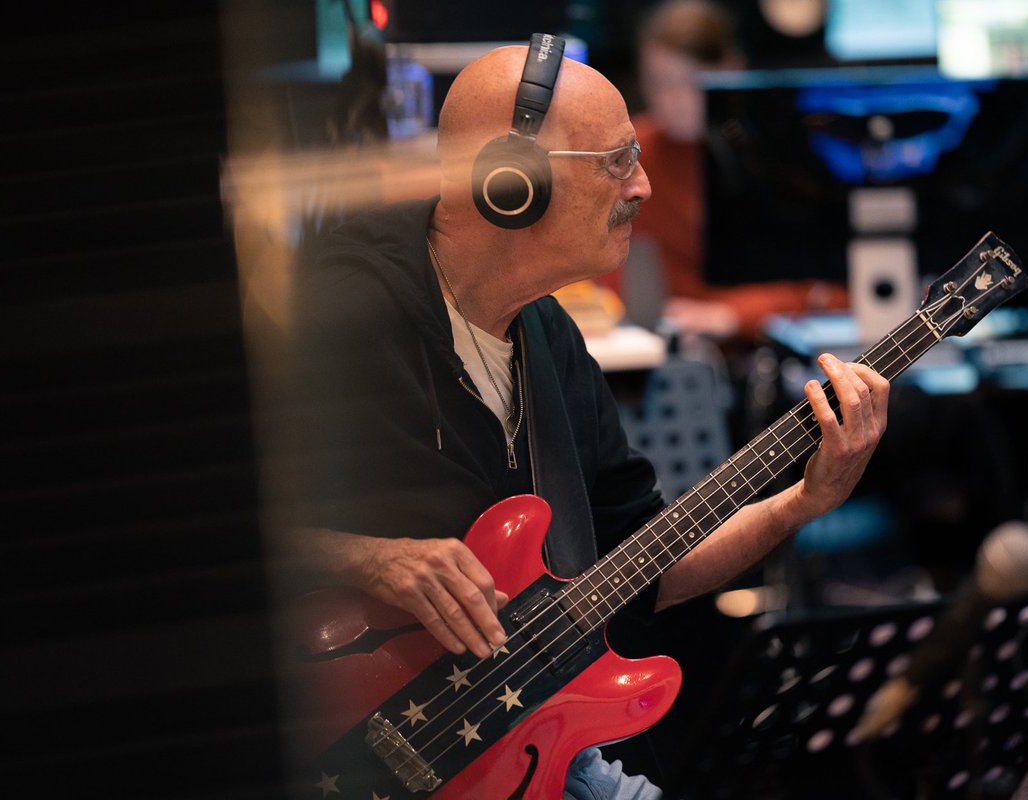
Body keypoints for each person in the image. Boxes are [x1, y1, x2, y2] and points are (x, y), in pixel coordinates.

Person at [274, 35, 889, 800]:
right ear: (510, 181)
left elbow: (647, 570)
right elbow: (195, 526)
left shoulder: (550, 337)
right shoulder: (346, 314)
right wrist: (371, 560)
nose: (642, 186)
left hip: (533, 750)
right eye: (616, 160)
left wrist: (803, 501)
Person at [601, 0, 848, 342]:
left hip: (780, 343)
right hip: (664, 345)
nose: (671, 100)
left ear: (731, 69)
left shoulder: (784, 156)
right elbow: (596, 276)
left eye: (688, 81)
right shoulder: (627, 156)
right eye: (657, 82)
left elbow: (840, 290)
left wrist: (736, 315)